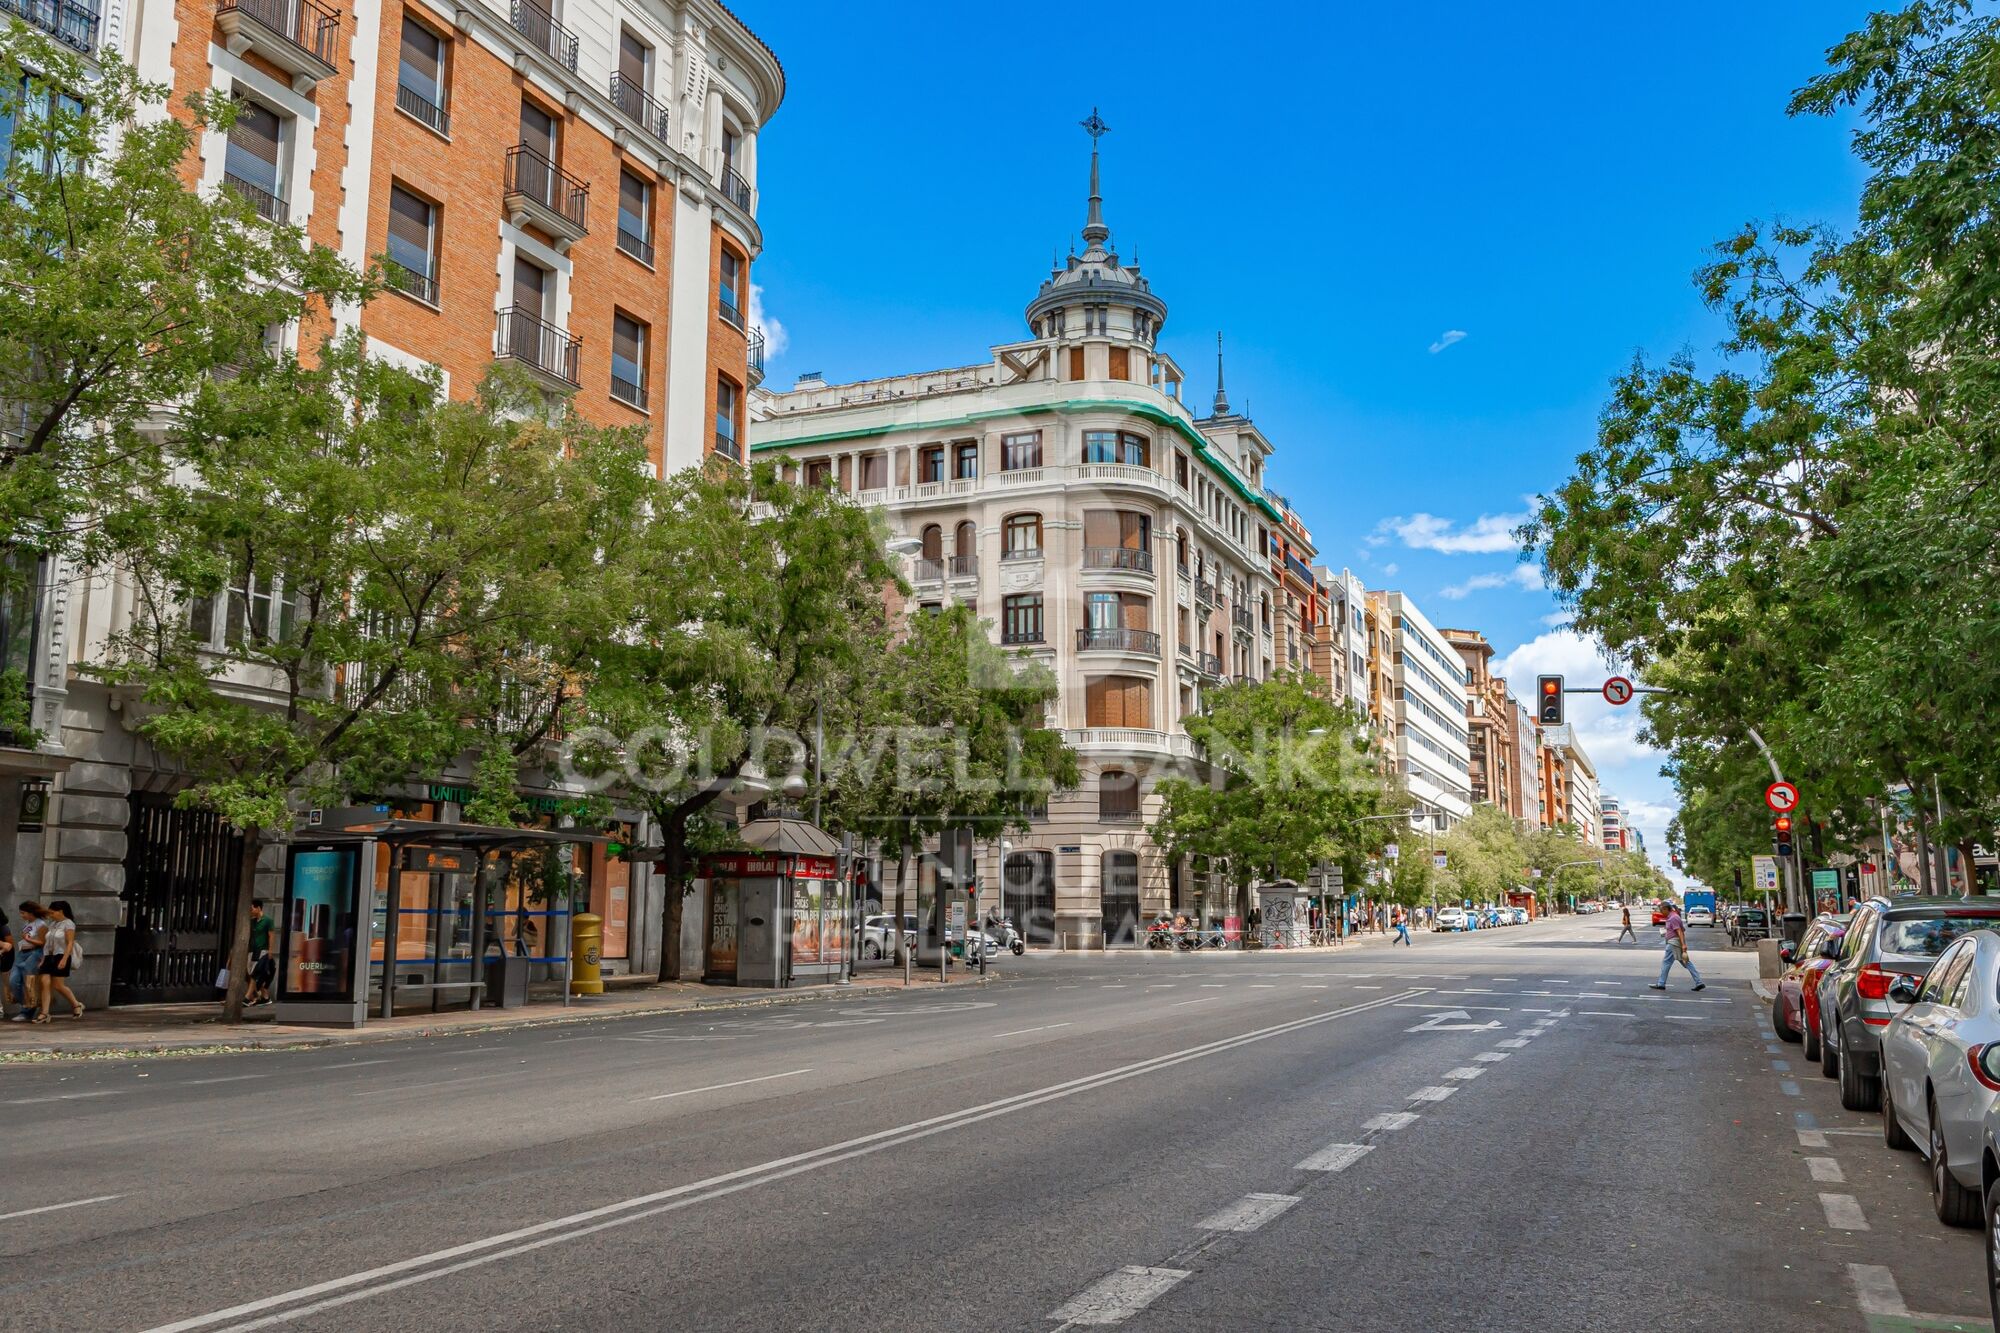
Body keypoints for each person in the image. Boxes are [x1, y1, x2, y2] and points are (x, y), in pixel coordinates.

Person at [34, 899, 82, 1021]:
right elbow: (47, 944)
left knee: (58, 985)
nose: (50, 915)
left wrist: (64, 959)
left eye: (52, 912)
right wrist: (43, 959)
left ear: (60, 911)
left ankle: (76, 1004)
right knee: (44, 983)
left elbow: (70, 943)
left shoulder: (69, 924)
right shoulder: (52, 924)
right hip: (48, 956)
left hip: (61, 955)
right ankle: (44, 1013)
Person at [1650, 903, 1705, 992]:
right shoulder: (1674, 917)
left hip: (1673, 943)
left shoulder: (1673, 918)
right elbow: (1681, 930)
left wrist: (1683, 945)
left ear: (1666, 909)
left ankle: (1661, 984)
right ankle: (1699, 982)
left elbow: (1680, 931)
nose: (1661, 912)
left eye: (1661, 910)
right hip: (1674, 943)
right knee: (1686, 962)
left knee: (1667, 962)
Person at [8, 900, 47, 1022]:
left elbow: (43, 943)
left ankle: (26, 1012)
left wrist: (28, 940)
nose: (21, 915)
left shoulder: (41, 925)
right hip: (22, 953)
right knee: (13, 980)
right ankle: (29, 1004)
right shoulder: (27, 923)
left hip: (34, 953)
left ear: (30, 912)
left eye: (23, 913)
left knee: (29, 982)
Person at [243, 900, 276, 1006]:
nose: (251, 911)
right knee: (252, 973)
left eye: (252, 908)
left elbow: (271, 936)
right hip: (252, 950)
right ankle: (266, 997)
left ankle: (247, 997)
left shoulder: (268, 921)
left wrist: (270, 951)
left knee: (255, 973)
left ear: (258, 908)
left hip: (263, 950)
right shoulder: (252, 921)